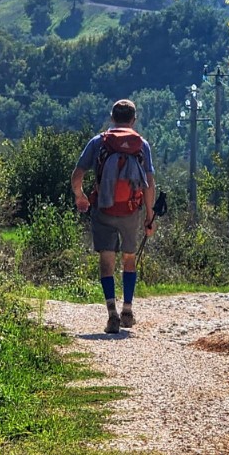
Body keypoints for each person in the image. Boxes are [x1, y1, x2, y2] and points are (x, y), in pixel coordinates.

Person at [71, 99, 156, 334]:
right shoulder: (141, 145)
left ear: (112, 118)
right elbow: (149, 184)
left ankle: (112, 314)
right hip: (131, 210)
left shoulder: (99, 142)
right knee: (129, 258)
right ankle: (127, 309)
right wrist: (149, 215)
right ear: (133, 120)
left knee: (106, 260)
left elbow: (77, 175)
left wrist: (81, 197)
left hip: (103, 209)